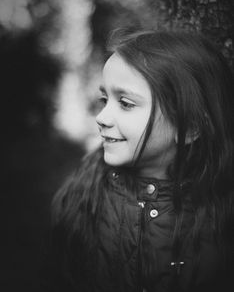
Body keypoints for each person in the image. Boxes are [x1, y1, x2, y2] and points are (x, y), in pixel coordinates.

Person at [41, 29, 234, 292]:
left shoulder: (222, 222)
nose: (102, 117)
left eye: (126, 103)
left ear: (191, 127)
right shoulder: (79, 201)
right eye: (104, 99)